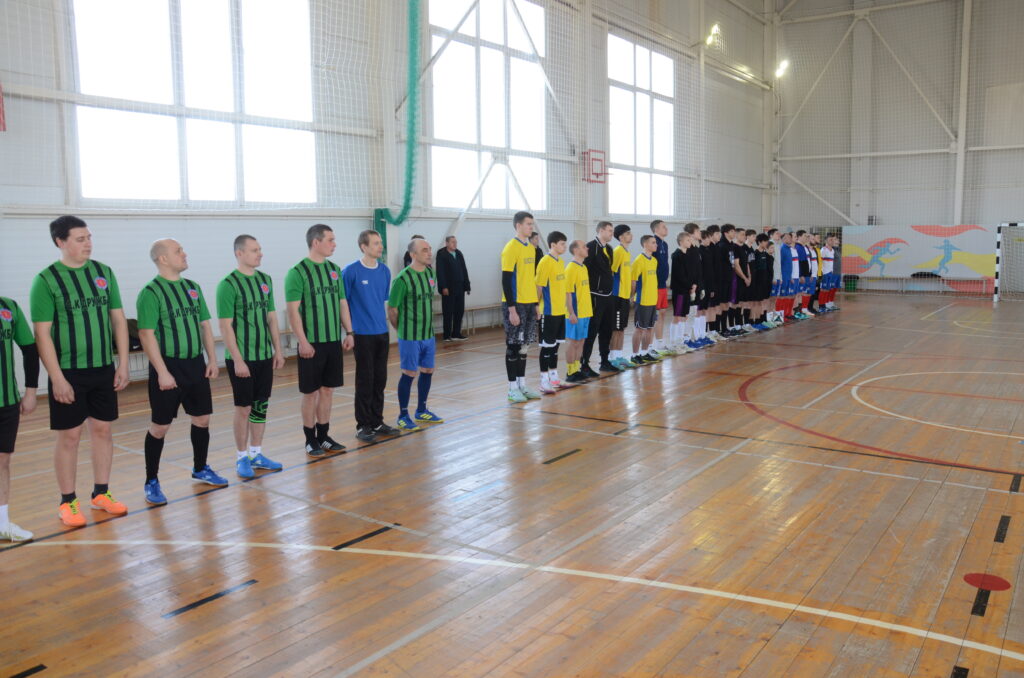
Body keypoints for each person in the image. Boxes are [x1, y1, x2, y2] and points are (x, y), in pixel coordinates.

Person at [30, 216, 130, 527]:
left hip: (103, 368)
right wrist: (57, 378)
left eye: (89, 237)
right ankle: (67, 501)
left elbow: (118, 319)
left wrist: (123, 363)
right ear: (60, 242)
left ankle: (101, 493)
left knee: (102, 430)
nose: (88, 243)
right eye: (80, 239)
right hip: (69, 372)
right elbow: (42, 334)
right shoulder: (46, 280)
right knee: (70, 436)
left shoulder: (104, 273)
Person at [137, 239, 226, 506]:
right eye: (178, 251)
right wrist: (162, 372)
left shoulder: (192, 288)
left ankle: (200, 468)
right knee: (160, 426)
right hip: (168, 367)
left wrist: (212, 359)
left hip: (195, 364)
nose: (184, 254)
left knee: (202, 419)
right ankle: (151, 480)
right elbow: (146, 334)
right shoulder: (151, 292)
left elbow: (205, 326)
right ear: (163, 259)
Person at [216, 235, 285, 479]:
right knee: (243, 408)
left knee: (260, 406)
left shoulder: (265, 280)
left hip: (264, 355)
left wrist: (278, 350)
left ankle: (257, 453)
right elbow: (225, 326)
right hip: (242, 358)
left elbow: (271, 317)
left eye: (260, 249)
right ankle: (241, 456)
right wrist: (238, 360)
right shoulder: (228, 284)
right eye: (254, 250)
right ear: (239, 253)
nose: (260, 253)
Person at [285, 224, 354, 457]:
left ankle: (324, 436)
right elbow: (293, 311)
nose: (334, 244)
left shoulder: (334, 270)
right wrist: (302, 341)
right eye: (330, 240)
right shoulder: (297, 272)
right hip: (311, 343)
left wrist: (349, 332)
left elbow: (342, 303)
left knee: (327, 390)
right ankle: (310, 439)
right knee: (310, 393)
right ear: (316, 242)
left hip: (332, 341)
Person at [342, 230, 400, 442]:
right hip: (362, 334)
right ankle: (363, 425)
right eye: (375, 243)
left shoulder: (384, 271)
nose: (380, 246)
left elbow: (381, 300)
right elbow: (343, 304)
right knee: (365, 380)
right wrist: (349, 332)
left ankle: (377, 421)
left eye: (380, 242)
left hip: (381, 333)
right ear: (363, 247)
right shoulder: (350, 272)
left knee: (380, 379)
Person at [388, 238, 443, 430]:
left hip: (428, 334)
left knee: (428, 370)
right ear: (413, 254)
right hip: (410, 336)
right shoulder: (402, 279)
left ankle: (421, 410)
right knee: (409, 373)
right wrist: (401, 330)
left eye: (430, 249)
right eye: (424, 250)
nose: (429, 253)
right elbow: (392, 309)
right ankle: (403, 415)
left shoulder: (430, 274)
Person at [0, 294, 39, 541]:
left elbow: (29, 349)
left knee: (2, 462)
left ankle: (2, 523)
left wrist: (31, 391)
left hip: (7, 403)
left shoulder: (9, 307)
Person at [500, 211, 542, 403]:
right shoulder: (510, 248)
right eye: (528, 224)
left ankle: (522, 385)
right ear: (518, 225)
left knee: (525, 346)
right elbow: (506, 280)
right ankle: (512, 388)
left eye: (532, 224)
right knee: (513, 345)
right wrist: (511, 309)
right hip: (515, 304)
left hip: (529, 303)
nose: (531, 227)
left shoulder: (531, 249)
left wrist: (536, 304)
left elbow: (531, 279)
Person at [581, 221, 618, 376]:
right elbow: (584, 270)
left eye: (612, 231)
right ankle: (584, 364)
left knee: (607, 330)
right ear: (601, 231)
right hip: (595, 295)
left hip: (608, 295)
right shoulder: (591, 247)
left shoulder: (609, 249)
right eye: (609, 231)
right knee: (592, 331)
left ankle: (604, 361)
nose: (611, 234)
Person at [534, 231, 569, 393]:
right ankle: (543, 381)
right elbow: (539, 286)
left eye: (565, 243)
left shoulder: (560, 262)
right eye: (562, 244)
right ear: (553, 245)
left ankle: (554, 377)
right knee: (546, 347)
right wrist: (536, 306)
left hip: (560, 311)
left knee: (555, 346)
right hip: (548, 311)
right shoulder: (545, 261)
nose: (565, 246)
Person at [563, 241, 593, 384]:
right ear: (575, 250)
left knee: (581, 341)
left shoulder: (584, 267)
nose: (587, 248)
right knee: (573, 341)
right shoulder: (570, 268)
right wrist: (571, 313)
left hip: (586, 311)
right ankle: (570, 372)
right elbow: (568, 293)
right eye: (583, 246)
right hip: (576, 312)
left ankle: (577, 369)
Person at [631, 235, 661, 365]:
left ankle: (644, 353)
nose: (656, 245)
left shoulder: (654, 260)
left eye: (656, 243)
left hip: (652, 300)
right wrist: (631, 296)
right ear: (645, 244)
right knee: (640, 329)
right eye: (653, 243)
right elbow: (633, 281)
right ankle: (634, 355)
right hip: (642, 301)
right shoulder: (639, 260)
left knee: (650, 328)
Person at [609, 225, 635, 369]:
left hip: (624, 296)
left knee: (622, 328)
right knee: (616, 328)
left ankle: (619, 356)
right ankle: (612, 358)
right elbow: (611, 272)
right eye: (628, 233)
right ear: (620, 237)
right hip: (617, 296)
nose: (631, 235)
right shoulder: (618, 251)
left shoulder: (626, 252)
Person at [436, 235, 471, 342]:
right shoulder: (441, 254)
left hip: (460, 287)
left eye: (456, 242)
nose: (455, 244)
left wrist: (467, 285)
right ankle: (446, 335)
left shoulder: (459, 253)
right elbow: (440, 272)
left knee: (459, 311)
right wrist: (443, 286)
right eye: (452, 242)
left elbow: (464, 269)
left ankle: (456, 333)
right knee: (448, 312)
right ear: (447, 243)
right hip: (449, 288)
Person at [650, 219, 674, 356]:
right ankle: (650, 347)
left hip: (662, 285)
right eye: (663, 227)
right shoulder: (653, 243)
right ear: (656, 229)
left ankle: (660, 343)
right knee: (654, 315)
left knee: (663, 313)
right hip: (654, 285)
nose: (666, 229)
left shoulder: (664, 243)